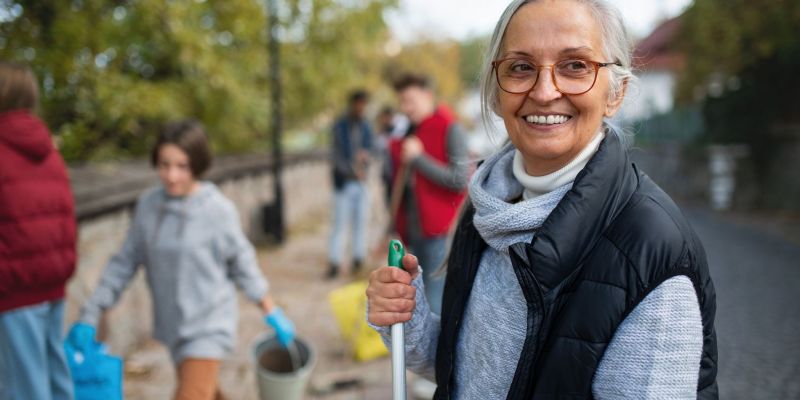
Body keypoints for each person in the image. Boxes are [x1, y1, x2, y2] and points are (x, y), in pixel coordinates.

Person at [367, 1, 719, 399]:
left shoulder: (651, 252)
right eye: (520, 67)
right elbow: (467, 370)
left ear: (615, 93)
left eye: (575, 66)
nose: (545, 91)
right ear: (498, 91)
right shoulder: (485, 211)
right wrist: (407, 321)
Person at [66, 120, 295, 400]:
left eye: (182, 166)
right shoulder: (148, 207)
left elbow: (242, 263)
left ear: (197, 165)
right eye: (164, 164)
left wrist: (271, 310)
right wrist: (91, 312)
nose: (172, 175)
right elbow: (122, 264)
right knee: (204, 391)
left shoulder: (217, 211)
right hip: (173, 327)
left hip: (209, 327)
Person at [0, 62, 76, 400]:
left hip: (14, 289)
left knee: (23, 387)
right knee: (56, 378)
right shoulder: (49, 152)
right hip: (52, 283)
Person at [388, 73, 469, 317]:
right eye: (402, 101)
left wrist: (418, 158)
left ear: (427, 95)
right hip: (412, 230)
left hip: (439, 231)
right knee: (415, 293)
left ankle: (436, 354)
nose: (406, 107)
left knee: (434, 298)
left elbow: (459, 180)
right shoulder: (410, 132)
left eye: (411, 100)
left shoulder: (451, 127)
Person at [327, 89, 373, 279]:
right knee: (340, 224)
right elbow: (336, 157)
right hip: (344, 183)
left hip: (361, 184)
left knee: (361, 222)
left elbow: (372, 150)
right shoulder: (340, 126)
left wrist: (365, 159)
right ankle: (335, 261)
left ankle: (358, 258)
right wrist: (351, 171)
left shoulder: (366, 128)